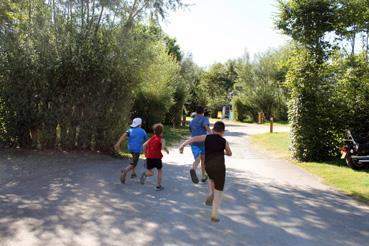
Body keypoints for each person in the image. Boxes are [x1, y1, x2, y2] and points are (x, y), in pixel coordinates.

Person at [179, 121, 232, 223]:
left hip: (208, 166)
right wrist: (223, 152)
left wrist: (182, 145)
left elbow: (194, 139)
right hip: (220, 167)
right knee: (219, 191)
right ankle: (214, 214)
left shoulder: (207, 137)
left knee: (211, 178)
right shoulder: (224, 141)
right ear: (223, 132)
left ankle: (210, 192)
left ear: (213, 130)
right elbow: (230, 153)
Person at [114, 117, 148, 184]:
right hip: (137, 149)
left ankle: (133, 173)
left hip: (130, 148)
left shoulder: (130, 130)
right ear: (140, 124)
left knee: (133, 160)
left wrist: (118, 143)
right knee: (134, 163)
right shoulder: (142, 131)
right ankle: (125, 171)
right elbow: (146, 141)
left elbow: (124, 135)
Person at [140, 123, 169, 191]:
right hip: (157, 158)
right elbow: (162, 147)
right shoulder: (162, 139)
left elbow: (144, 145)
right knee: (160, 171)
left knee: (150, 172)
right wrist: (164, 146)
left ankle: (145, 174)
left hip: (149, 157)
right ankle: (158, 186)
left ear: (154, 131)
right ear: (161, 132)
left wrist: (145, 154)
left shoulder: (152, 138)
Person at [189, 106, 212, 184]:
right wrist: (212, 135)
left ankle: (193, 169)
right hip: (203, 142)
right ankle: (203, 175)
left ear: (196, 112)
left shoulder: (192, 121)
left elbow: (191, 131)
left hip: (194, 142)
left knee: (197, 159)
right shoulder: (205, 118)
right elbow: (206, 127)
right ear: (203, 112)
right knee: (203, 159)